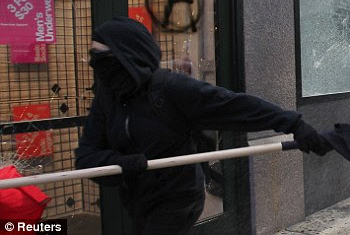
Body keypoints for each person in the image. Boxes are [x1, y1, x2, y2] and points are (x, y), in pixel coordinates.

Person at [75, 17, 331, 235]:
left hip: (178, 196)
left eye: (103, 56)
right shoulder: (108, 99)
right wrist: (120, 164)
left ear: (127, 55)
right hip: (137, 199)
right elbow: (86, 157)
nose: (94, 64)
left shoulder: (170, 89)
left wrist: (294, 124)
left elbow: (235, 106)